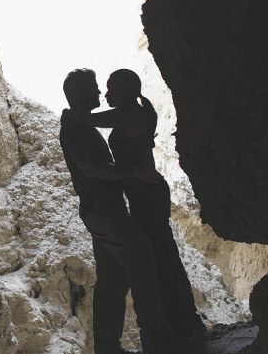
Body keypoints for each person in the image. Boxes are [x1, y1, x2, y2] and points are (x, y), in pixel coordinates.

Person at [63, 68, 207, 340]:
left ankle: (175, 329)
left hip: (146, 194)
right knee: (151, 260)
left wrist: (70, 115)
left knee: (157, 259)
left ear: (125, 90)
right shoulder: (118, 116)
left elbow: (86, 118)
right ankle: (172, 329)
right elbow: (90, 162)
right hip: (132, 198)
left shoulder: (127, 113)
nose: (102, 93)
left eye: (108, 88)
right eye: (96, 88)